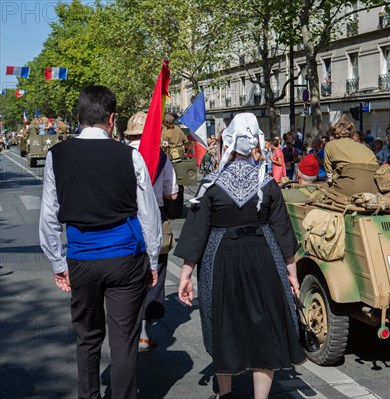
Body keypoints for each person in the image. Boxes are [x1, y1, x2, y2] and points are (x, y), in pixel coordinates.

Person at [39, 86, 162, 399]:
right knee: (123, 341)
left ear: (79, 117)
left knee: (87, 338)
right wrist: (152, 260)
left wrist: (57, 262)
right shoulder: (130, 156)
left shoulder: (57, 155)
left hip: (81, 259)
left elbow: (49, 217)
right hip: (125, 260)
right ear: (111, 118)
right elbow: (148, 215)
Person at [175, 113, 306, 399]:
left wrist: (185, 276)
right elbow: (283, 228)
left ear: (227, 142)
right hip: (264, 257)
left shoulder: (211, 184)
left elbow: (197, 231)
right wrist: (292, 271)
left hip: (221, 258)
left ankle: (225, 394)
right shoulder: (267, 182)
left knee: (226, 324)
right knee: (264, 327)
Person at [124, 111, 179, 351]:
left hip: (126, 221)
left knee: (127, 277)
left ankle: (128, 329)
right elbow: (173, 193)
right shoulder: (162, 157)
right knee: (155, 275)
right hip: (155, 216)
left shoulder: (121, 154)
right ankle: (146, 333)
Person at [323, 115, 378, 196]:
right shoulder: (365, 148)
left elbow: (329, 174)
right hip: (374, 188)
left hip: (350, 188)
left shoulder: (330, 145)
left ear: (336, 133)